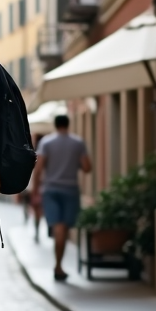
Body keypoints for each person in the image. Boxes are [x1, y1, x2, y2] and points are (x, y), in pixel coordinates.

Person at [30, 114, 92, 281]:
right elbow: (87, 167)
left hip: (50, 190)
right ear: (68, 124)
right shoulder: (77, 143)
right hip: (70, 189)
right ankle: (58, 266)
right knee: (63, 228)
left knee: (58, 228)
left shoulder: (47, 142)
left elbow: (39, 168)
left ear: (56, 125)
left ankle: (58, 265)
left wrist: (35, 192)